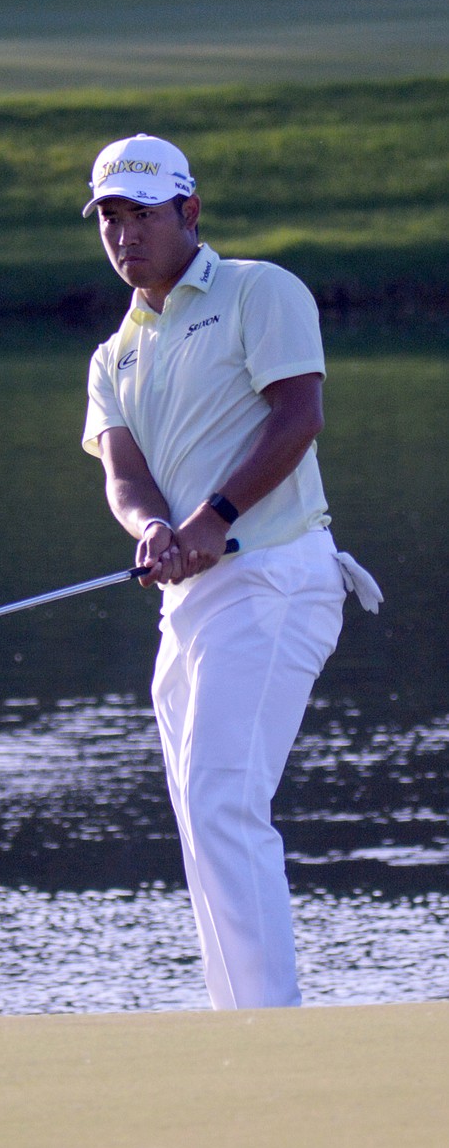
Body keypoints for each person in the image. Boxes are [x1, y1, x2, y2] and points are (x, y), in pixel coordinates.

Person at [80, 133, 382, 1010]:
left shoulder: (260, 290)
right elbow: (123, 475)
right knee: (198, 817)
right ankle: (238, 1022)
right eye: (109, 217)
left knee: (222, 798)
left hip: (279, 574)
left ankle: (270, 1030)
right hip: (191, 600)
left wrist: (214, 518)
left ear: (189, 211)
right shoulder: (114, 354)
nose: (125, 234)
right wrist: (155, 529)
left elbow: (299, 417)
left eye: (141, 213)